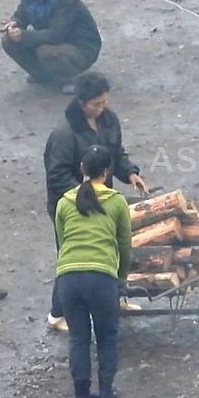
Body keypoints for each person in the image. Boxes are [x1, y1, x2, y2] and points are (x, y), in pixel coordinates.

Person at [43, 71, 147, 332]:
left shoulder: (109, 121)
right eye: (95, 104)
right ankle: (57, 314)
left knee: (111, 248)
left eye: (104, 102)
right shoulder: (64, 134)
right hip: (69, 204)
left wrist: (130, 173)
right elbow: (56, 175)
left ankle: (114, 299)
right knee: (72, 254)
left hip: (101, 200)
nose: (101, 108)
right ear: (81, 102)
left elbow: (116, 155)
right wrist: (86, 195)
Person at [54, 145, 131, 398]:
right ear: (107, 172)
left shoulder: (64, 202)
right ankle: (106, 391)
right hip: (101, 277)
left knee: (78, 337)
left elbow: (62, 242)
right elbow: (124, 244)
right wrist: (121, 277)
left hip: (68, 278)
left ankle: (81, 396)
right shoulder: (117, 201)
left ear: (81, 169)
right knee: (107, 335)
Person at [2, 0, 102, 93]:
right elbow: (22, 13)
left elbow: (56, 35)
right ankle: (43, 75)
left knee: (46, 51)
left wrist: (23, 35)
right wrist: (15, 22)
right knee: (9, 41)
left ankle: (74, 79)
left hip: (81, 48)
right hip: (55, 42)